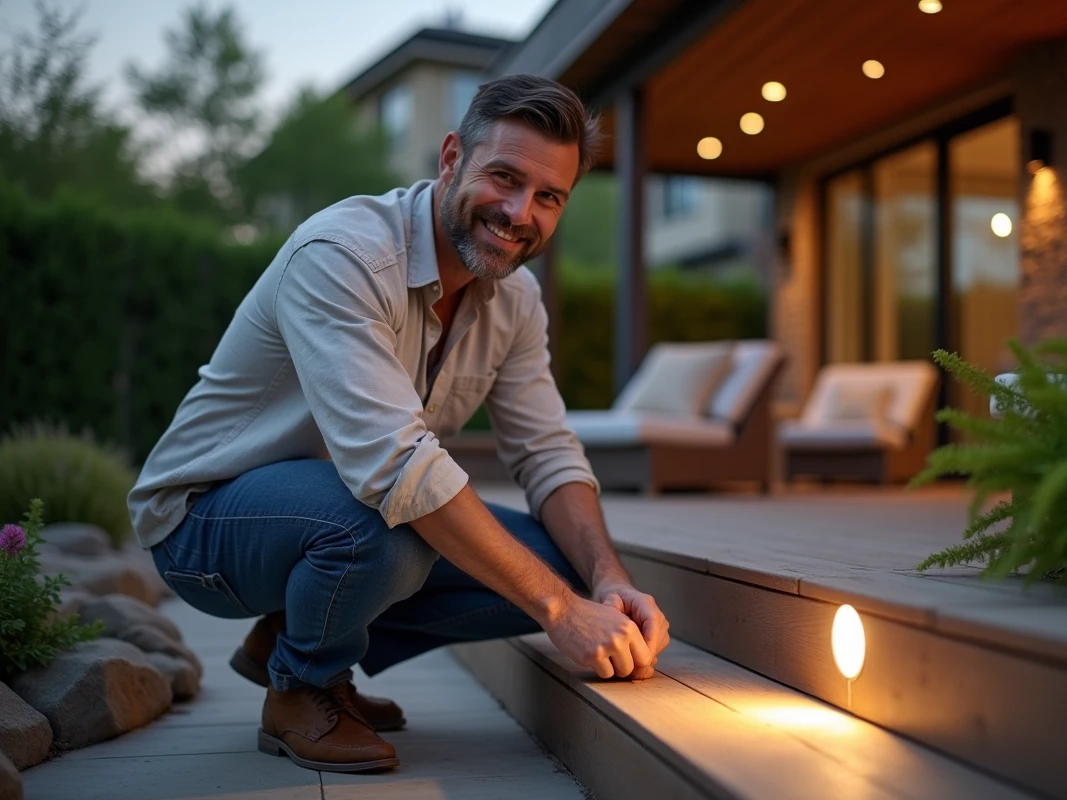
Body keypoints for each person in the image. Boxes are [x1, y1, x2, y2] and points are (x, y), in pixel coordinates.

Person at [127, 74, 671, 774]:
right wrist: (562, 616)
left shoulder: (516, 298)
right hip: (205, 525)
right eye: (503, 177)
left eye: (547, 197)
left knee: (560, 563)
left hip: (337, 509)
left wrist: (604, 581)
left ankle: (291, 636)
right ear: (451, 158)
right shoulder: (344, 255)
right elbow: (397, 468)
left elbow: (545, 452)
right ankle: (301, 687)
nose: (518, 212)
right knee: (389, 532)